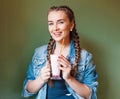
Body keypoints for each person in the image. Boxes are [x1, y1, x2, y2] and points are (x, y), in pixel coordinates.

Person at [22, 5, 98, 99]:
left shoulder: (85, 56)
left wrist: (69, 78)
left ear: (71, 25)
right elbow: (27, 90)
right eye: (51, 23)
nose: (55, 28)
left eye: (60, 22)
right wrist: (41, 79)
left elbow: (90, 95)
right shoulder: (39, 53)